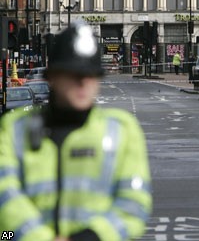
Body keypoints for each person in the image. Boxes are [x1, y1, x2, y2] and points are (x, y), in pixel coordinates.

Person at [0, 22, 152, 241]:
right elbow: (5, 197)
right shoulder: (13, 128)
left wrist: (90, 237)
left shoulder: (121, 130)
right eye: (73, 74)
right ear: (51, 77)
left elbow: (134, 205)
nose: (83, 83)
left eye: (91, 75)